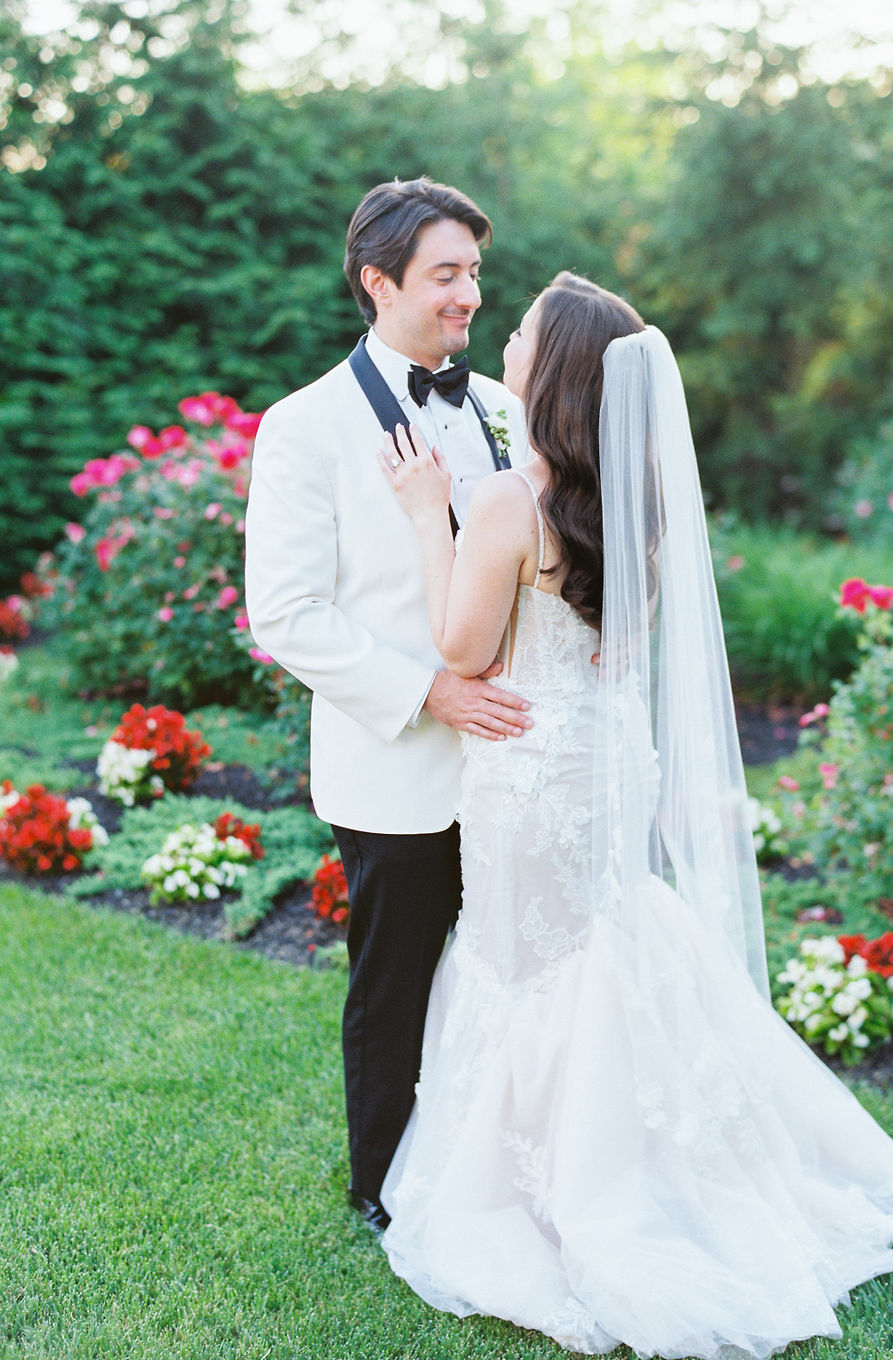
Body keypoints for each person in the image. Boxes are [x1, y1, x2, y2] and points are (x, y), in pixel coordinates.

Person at [375, 271, 893, 1358]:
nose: (510, 335)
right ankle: (645, 1154)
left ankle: (567, 1187)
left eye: (528, 329)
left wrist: (421, 515)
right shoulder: (631, 502)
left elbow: (461, 648)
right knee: (602, 941)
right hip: (600, 758)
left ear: (556, 370)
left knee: (531, 963)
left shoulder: (504, 500)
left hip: (529, 767)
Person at [244, 178, 531, 1233]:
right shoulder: (303, 425)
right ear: (380, 282)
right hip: (394, 763)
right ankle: (383, 1182)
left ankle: (496, 1160)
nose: (469, 294)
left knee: (510, 973)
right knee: (394, 983)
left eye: (473, 272)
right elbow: (286, 611)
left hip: (515, 759)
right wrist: (432, 692)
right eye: (447, 274)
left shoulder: (503, 408)